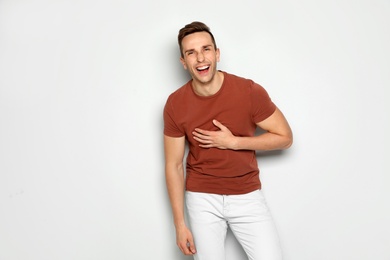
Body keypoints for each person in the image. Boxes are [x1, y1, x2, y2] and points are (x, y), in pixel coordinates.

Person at [163, 21, 293, 260]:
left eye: (206, 49)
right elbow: (174, 165)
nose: (200, 58)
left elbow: (285, 138)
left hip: (247, 195)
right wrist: (180, 225)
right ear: (183, 62)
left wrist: (234, 142)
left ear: (217, 53)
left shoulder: (249, 92)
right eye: (191, 53)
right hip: (202, 199)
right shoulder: (175, 103)